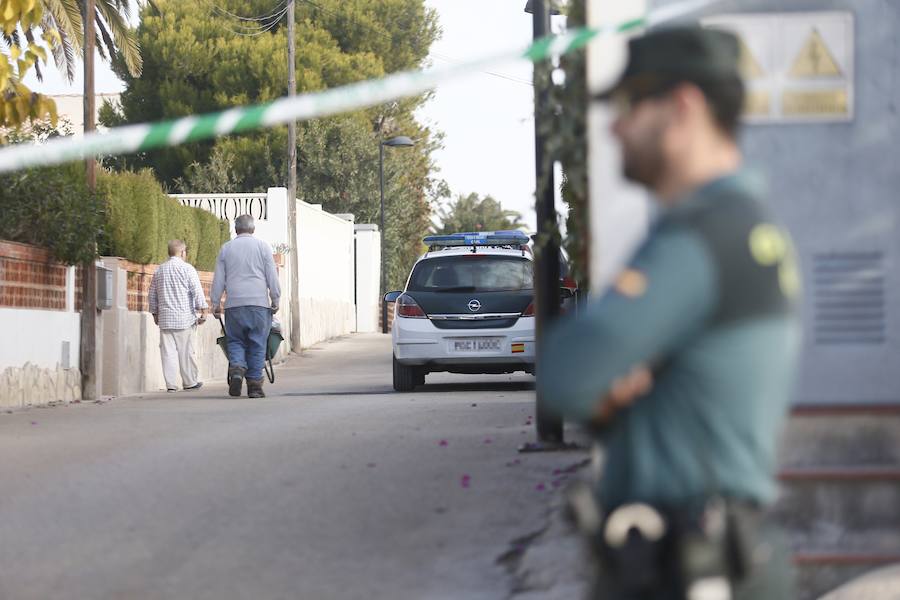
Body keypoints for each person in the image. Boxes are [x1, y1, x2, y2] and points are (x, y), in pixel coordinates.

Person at [538, 27, 800, 599]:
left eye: (631, 105)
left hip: (690, 572)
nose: (614, 126)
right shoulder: (744, 227)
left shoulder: (700, 238)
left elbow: (565, 372)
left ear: (683, 107)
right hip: (717, 560)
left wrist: (613, 381)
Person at [211, 214, 281, 399]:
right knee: (258, 343)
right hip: (259, 304)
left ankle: (236, 370)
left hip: (234, 305)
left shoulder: (226, 249)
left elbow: (219, 278)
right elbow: (271, 276)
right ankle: (255, 386)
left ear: (236, 229)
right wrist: (275, 299)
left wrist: (216, 303)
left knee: (235, 341)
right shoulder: (263, 247)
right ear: (253, 229)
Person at [148, 239, 209, 392]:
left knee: (167, 353)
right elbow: (197, 291)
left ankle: (171, 385)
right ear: (182, 252)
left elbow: (152, 294)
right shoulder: (187, 269)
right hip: (184, 318)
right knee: (186, 351)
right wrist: (204, 309)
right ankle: (189, 382)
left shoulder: (159, 270)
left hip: (166, 319)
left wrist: (155, 313)